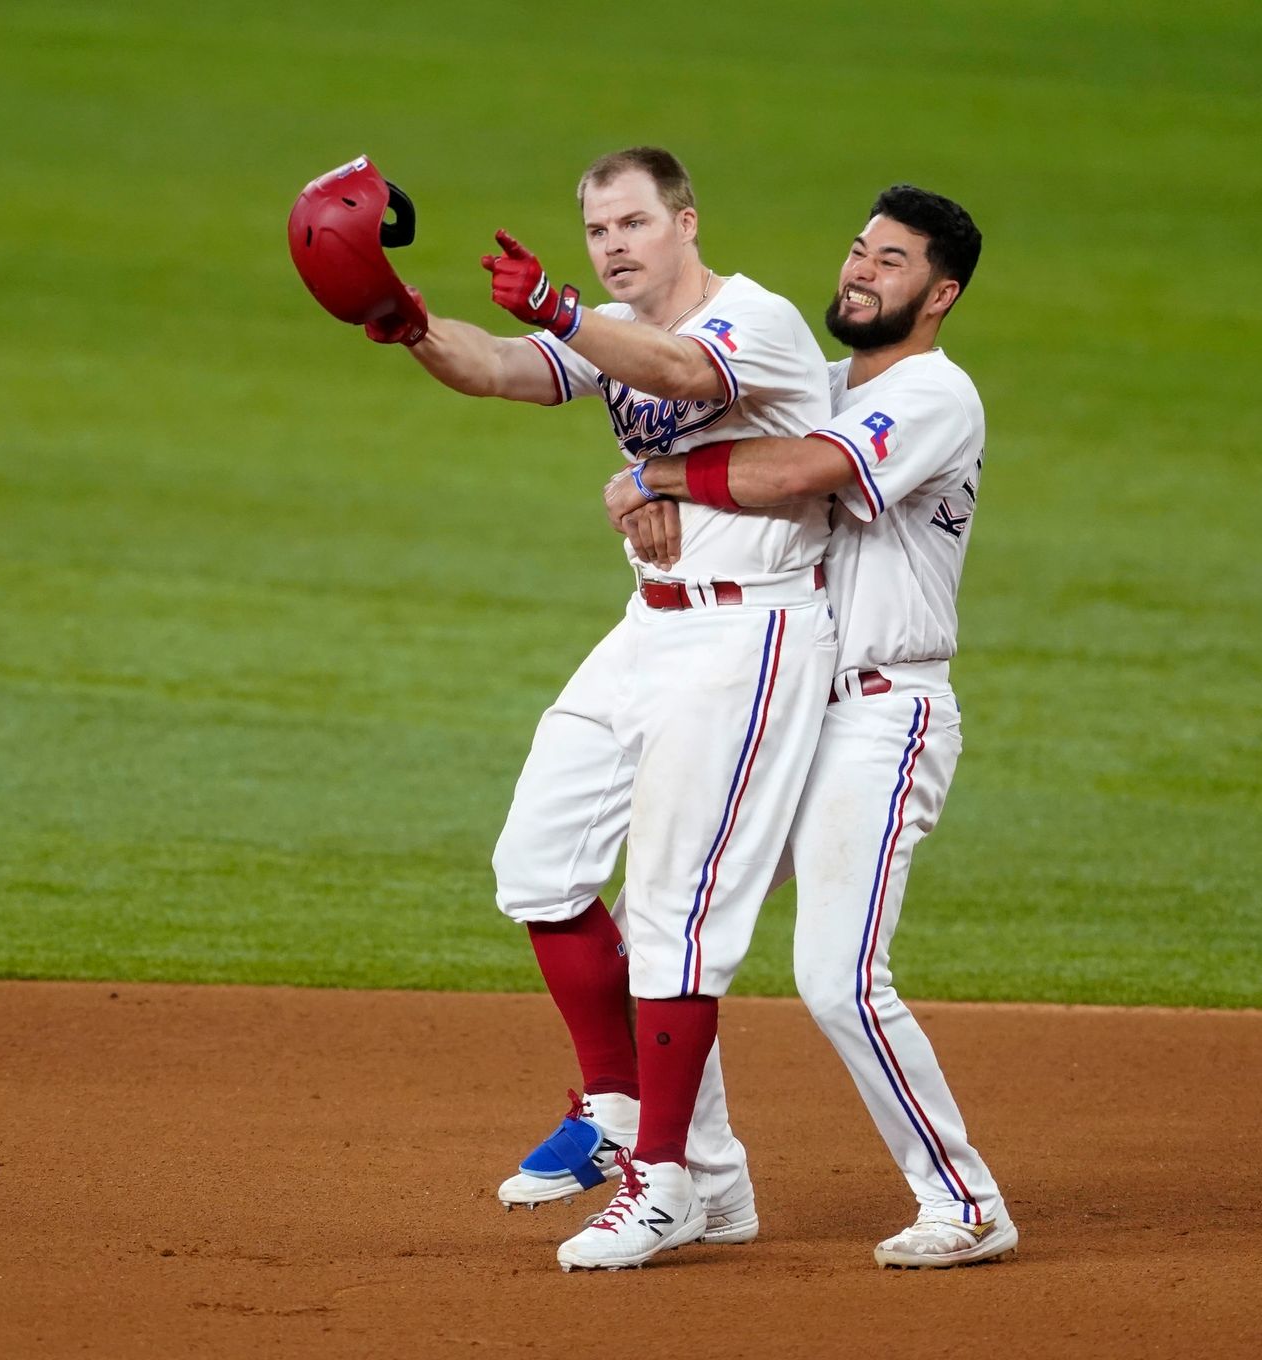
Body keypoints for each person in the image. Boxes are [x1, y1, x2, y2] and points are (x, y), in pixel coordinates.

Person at [365, 146, 837, 1272]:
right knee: (538, 861)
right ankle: (622, 1116)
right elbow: (494, 369)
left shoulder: (752, 321)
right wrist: (408, 324)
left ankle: (666, 1182)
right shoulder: (602, 333)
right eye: (596, 230)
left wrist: (565, 311)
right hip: (649, 628)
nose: (614, 243)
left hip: (748, 634)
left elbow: (678, 373)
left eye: (632, 222)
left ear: (685, 221)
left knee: (673, 913)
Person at [601, 185, 1015, 1269]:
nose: (862, 270)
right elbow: (729, 461)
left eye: (892, 260)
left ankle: (966, 1199)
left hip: (880, 715)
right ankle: (694, 1177)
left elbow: (795, 473)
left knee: (836, 975)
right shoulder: (819, 385)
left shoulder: (932, 394)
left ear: (941, 293)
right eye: (857, 249)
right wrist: (664, 502)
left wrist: (660, 477)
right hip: (779, 699)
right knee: (669, 923)